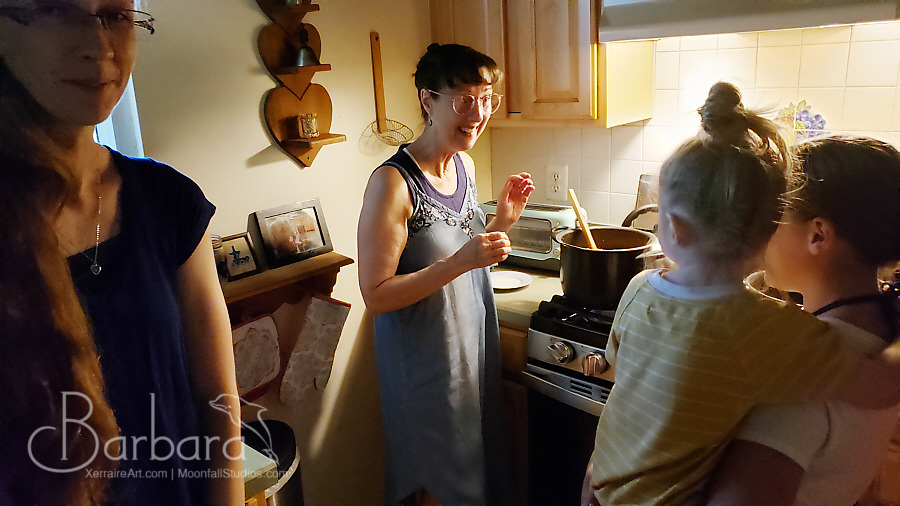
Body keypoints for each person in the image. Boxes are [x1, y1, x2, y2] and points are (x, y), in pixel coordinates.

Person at [581, 82, 900, 505]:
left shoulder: (790, 359)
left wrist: (594, 478)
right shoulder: (854, 340)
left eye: (777, 212)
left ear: (818, 235)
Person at [0, 1, 242, 505]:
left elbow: (217, 406)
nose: (99, 46)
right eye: (57, 9)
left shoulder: (167, 200)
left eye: (114, 14)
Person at [357, 43, 534, 506]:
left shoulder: (463, 165)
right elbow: (375, 295)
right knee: (435, 485)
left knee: (475, 476)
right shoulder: (392, 183)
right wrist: (461, 261)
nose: (477, 113)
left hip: (469, 351)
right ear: (427, 100)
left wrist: (503, 223)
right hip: (423, 368)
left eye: (486, 98)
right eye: (462, 99)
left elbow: (464, 254)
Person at [704, 136, 900, 505]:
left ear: (818, 235)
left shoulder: (803, 374)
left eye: (773, 221)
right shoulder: (884, 336)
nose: (761, 235)